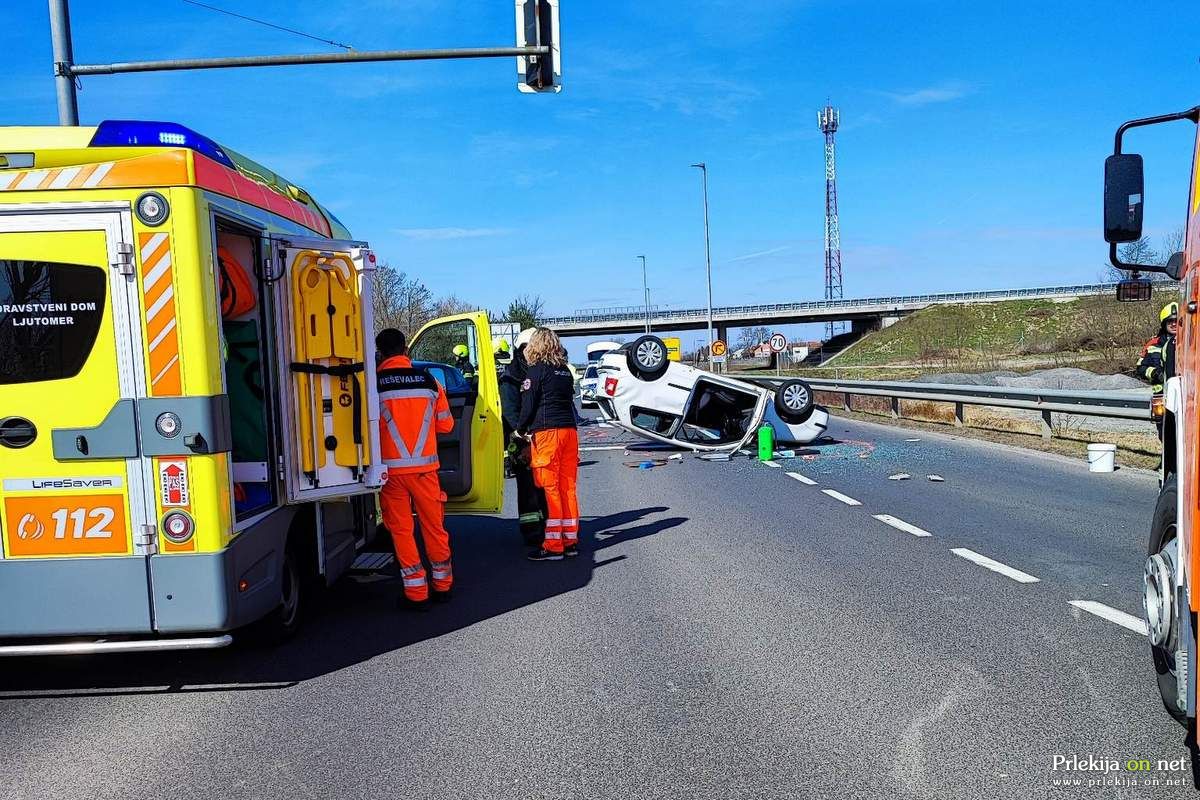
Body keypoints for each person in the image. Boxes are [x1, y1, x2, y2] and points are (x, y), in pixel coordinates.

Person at [376, 328, 455, 610]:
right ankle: (443, 585)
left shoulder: (374, 384)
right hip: (425, 471)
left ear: (380, 353)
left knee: (402, 531)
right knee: (434, 528)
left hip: (390, 473)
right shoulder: (430, 381)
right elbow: (446, 425)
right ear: (405, 350)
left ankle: (416, 594)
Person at [517, 328, 580, 561]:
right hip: (569, 432)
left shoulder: (536, 371)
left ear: (535, 345)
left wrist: (520, 430)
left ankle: (553, 545)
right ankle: (570, 540)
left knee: (550, 488)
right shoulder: (565, 372)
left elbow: (528, 404)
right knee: (568, 487)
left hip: (547, 433)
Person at [500, 328, 548, 547]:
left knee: (544, 486)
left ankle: (548, 527)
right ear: (522, 348)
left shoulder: (537, 370)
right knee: (527, 488)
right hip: (521, 440)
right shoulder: (511, 376)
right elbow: (510, 410)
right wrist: (522, 434)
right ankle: (532, 532)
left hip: (541, 437)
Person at [1137, 302, 1178, 438]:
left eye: (1177, 321)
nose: (1173, 324)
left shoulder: (1191, 342)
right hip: (1161, 397)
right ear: (1164, 324)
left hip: (1183, 397)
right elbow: (1140, 368)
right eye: (1170, 321)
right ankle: (1166, 459)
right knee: (1164, 435)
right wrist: (1154, 373)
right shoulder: (1153, 344)